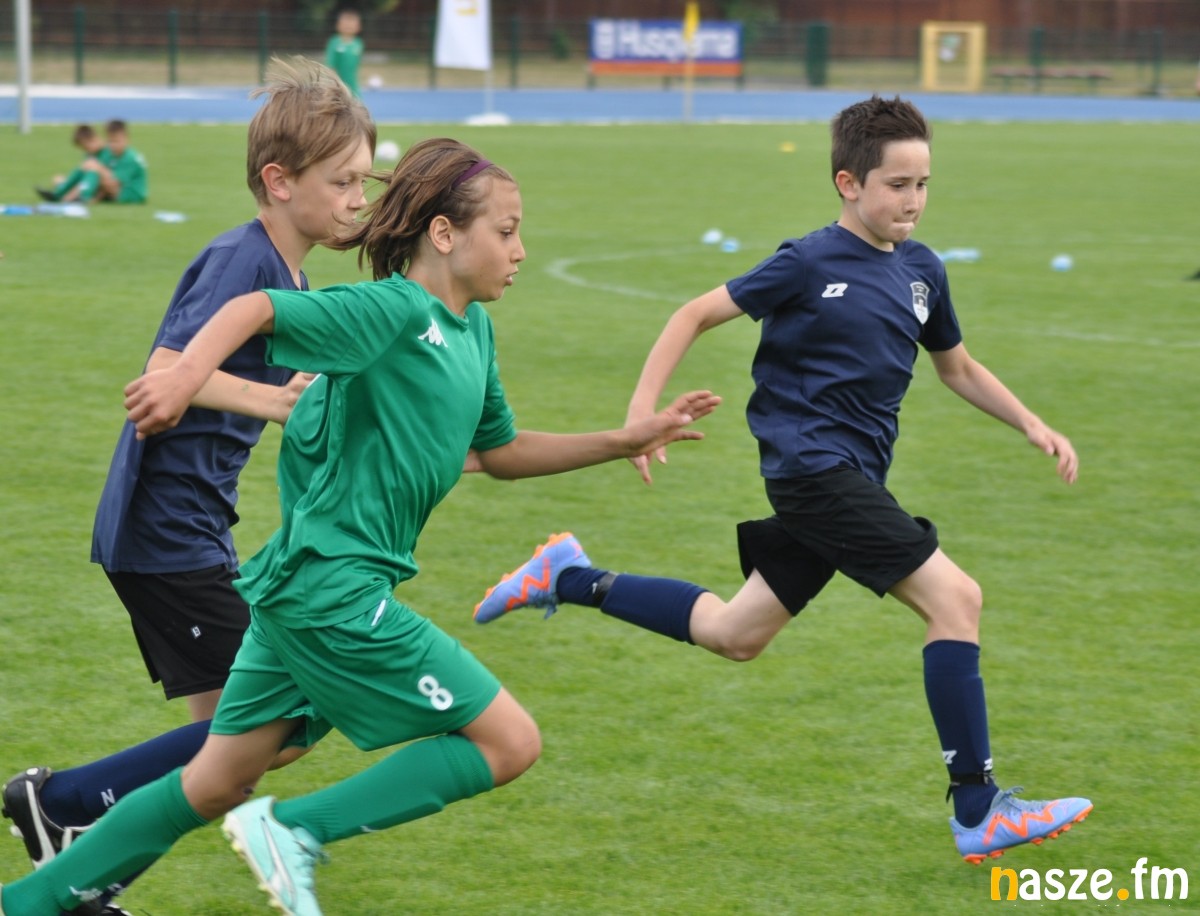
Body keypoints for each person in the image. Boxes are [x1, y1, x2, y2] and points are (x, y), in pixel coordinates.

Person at [0, 137, 719, 916]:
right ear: (444, 234)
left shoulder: (473, 332)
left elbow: (499, 453)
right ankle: (294, 830)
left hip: (301, 592)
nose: (520, 251)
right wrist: (180, 380)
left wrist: (624, 439)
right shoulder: (394, 311)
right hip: (334, 592)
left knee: (214, 782)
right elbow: (254, 308)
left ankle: (27, 903)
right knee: (509, 742)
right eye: (506, 231)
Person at [473, 95, 1093, 866]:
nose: (913, 201)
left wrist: (1030, 421)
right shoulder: (807, 261)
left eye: (923, 184)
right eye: (897, 185)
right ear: (848, 183)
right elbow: (692, 315)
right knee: (956, 598)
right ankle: (978, 806)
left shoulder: (923, 271)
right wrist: (640, 417)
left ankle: (568, 577)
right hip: (812, 472)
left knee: (734, 635)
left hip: (852, 479)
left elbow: (957, 368)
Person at [2, 58, 375, 915]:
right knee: (273, 727)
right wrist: (272, 401)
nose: (357, 198)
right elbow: (168, 368)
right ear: (279, 182)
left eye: (365, 180)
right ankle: (61, 804)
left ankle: (82, 876)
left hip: (190, 529)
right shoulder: (243, 261)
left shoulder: (291, 278)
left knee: (230, 757)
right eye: (342, 181)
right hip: (165, 532)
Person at [35, 124, 105, 203]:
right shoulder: (91, 154)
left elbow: (103, 181)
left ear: (93, 139)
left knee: (88, 169)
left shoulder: (108, 152)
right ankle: (61, 193)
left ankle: (61, 194)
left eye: (86, 147)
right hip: (88, 185)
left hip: (97, 188)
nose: (86, 150)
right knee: (58, 179)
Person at [89, 120, 149, 205]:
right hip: (118, 189)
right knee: (93, 173)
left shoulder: (131, 158)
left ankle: (85, 196)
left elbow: (113, 182)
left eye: (116, 141)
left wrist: (98, 168)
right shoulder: (110, 154)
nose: (113, 145)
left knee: (98, 173)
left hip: (131, 194)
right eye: (110, 141)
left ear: (127, 139)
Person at [324, 8, 364, 97]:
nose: (348, 27)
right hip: (337, 83)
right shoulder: (334, 42)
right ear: (338, 26)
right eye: (345, 24)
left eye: (351, 25)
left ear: (358, 27)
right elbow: (331, 63)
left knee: (355, 101)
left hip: (352, 83)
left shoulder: (358, 43)